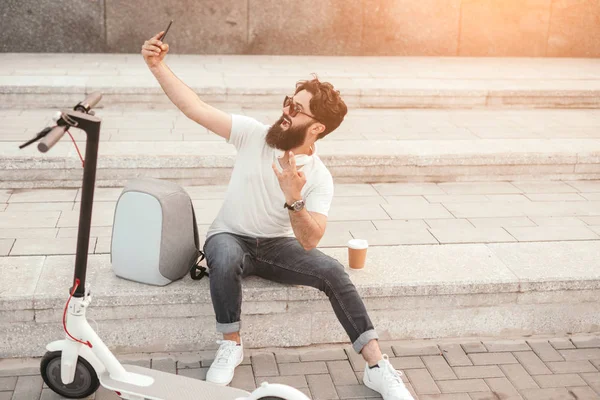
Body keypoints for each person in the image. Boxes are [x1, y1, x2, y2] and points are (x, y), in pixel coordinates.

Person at [142, 31, 414, 400]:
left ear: (316, 127)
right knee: (222, 254)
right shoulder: (253, 135)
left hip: (273, 246)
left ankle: (378, 368)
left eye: (297, 109)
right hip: (229, 235)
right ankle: (231, 344)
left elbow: (310, 240)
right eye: (289, 101)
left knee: (333, 271)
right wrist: (157, 66)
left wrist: (294, 199)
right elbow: (195, 108)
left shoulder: (318, 177)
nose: (286, 110)